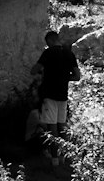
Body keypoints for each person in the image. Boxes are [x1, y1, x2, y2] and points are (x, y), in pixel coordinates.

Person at [30, 31, 81, 161]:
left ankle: (55, 160)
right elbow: (77, 76)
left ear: (51, 41)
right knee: (62, 127)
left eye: (47, 43)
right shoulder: (69, 54)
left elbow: (33, 70)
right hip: (63, 95)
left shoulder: (48, 52)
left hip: (49, 94)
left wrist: (45, 73)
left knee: (52, 129)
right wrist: (64, 77)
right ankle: (64, 156)